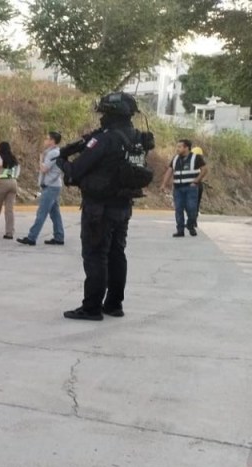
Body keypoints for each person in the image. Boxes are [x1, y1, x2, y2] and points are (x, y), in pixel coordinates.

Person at [59, 92, 147, 321]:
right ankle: (114, 304)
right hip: (123, 206)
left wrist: (62, 162)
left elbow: (76, 171)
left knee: (96, 255)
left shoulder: (106, 139)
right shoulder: (136, 138)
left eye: (104, 113)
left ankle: (91, 308)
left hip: (100, 209)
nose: (101, 118)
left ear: (112, 114)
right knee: (117, 254)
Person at [19, 132, 66, 246]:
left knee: (42, 212)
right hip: (53, 186)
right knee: (55, 213)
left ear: (52, 141)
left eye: (47, 138)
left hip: (51, 187)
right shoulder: (53, 152)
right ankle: (59, 236)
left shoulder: (53, 153)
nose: (45, 140)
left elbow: (44, 169)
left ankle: (32, 237)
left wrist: (40, 160)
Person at [160, 139, 206, 237]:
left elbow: (204, 170)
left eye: (179, 147)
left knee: (191, 209)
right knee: (179, 209)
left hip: (191, 188)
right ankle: (180, 230)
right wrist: (164, 184)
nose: (177, 149)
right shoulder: (175, 159)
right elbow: (169, 171)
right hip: (178, 189)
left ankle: (190, 225)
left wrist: (196, 180)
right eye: (177, 147)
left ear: (186, 148)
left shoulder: (196, 158)